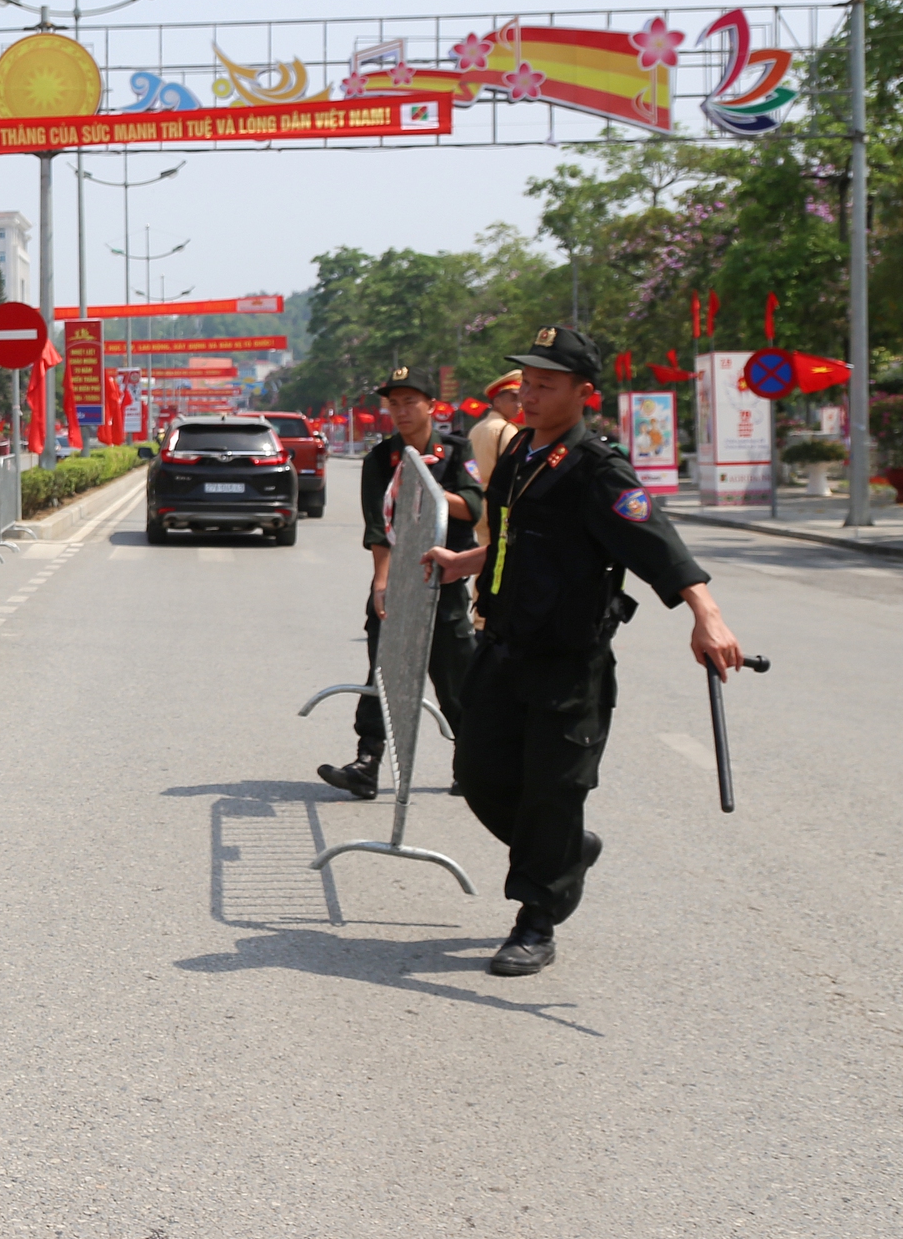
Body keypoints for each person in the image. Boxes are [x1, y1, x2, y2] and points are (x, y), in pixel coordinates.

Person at [422, 326, 746, 978]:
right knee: (479, 775)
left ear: (583, 393)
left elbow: (658, 542)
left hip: (567, 662)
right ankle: (565, 851)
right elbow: (516, 539)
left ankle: (535, 920)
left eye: (545, 385)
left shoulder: (599, 469)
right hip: (502, 646)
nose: (529, 395)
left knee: (553, 790)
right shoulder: (519, 454)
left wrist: (707, 617)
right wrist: (466, 561)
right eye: (526, 383)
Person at [318, 364, 483, 800]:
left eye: (411, 401)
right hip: (398, 576)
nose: (402, 410)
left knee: (456, 676)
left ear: (431, 406)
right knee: (383, 671)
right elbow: (378, 528)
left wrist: (425, 488)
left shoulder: (455, 451)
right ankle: (367, 762)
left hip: (445, 577)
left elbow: (473, 507)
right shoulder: (380, 458)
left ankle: (471, 765)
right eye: (395, 403)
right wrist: (381, 583)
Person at [466, 371, 523, 549]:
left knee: (481, 552)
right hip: (497, 506)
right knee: (499, 555)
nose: (519, 404)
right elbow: (515, 471)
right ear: (497, 402)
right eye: (513, 398)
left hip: (476, 503)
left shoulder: (476, 429)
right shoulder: (507, 430)